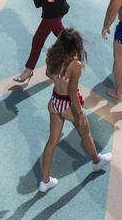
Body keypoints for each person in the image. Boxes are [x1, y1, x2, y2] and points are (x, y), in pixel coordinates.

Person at [35, 28, 113, 193]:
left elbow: (49, 74)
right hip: (68, 104)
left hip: (54, 101)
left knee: (52, 141)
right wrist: (79, 114)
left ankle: (45, 181)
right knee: (86, 134)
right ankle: (97, 161)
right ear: (75, 46)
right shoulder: (75, 65)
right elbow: (72, 92)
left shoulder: (52, 57)